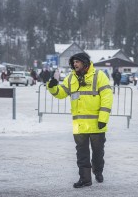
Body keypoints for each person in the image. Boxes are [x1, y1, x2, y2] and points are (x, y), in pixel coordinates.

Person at [47, 53, 113, 188]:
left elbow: (107, 97)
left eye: (77, 62)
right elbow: (61, 93)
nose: (75, 64)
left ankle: (98, 171)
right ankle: (85, 179)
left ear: (85, 62)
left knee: (98, 153)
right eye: (74, 62)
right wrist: (52, 86)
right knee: (82, 154)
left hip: (97, 124)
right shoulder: (71, 77)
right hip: (79, 125)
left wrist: (103, 118)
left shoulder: (99, 75)